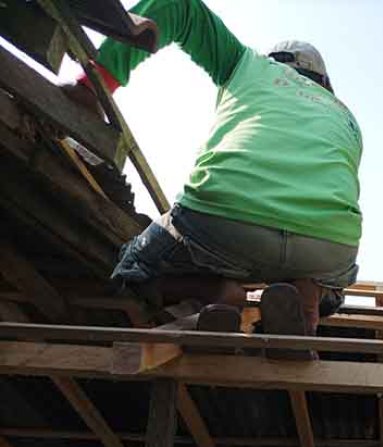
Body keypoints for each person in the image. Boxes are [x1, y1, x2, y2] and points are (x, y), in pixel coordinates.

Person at [65, 0, 363, 344]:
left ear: (275, 64)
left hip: (224, 224)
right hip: (327, 247)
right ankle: (307, 298)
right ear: (323, 82)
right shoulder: (346, 117)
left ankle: (221, 291)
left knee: (131, 267)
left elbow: (179, 7)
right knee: (333, 283)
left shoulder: (248, 65)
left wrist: (93, 86)